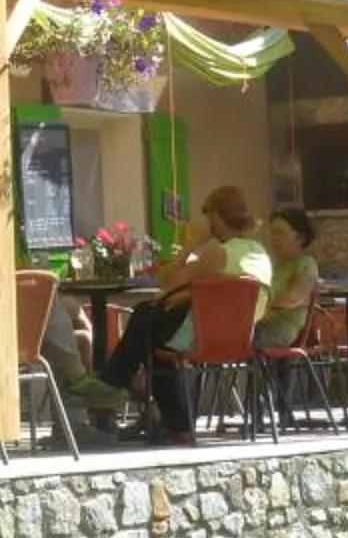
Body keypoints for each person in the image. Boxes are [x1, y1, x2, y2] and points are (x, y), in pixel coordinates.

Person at [75, 184, 272, 440]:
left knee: (144, 317)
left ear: (215, 217)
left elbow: (167, 283)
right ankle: (174, 426)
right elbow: (219, 289)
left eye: (208, 216)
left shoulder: (217, 252)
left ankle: (112, 389)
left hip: (201, 335)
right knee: (153, 337)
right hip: (239, 338)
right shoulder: (259, 253)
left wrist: (190, 246)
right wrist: (184, 294)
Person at [258, 208, 321, 350]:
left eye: (280, 233)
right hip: (262, 324)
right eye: (272, 232)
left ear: (300, 238)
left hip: (282, 330)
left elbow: (294, 298)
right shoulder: (274, 265)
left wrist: (262, 303)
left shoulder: (306, 264)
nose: (274, 238)